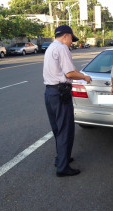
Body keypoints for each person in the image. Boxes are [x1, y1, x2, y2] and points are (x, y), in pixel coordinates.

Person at [43, 25, 92, 177]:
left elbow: (66, 70)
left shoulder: (51, 47)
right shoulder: (63, 48)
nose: (72, 42)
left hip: (50, 92)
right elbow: (70, 73)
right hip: (60, 93)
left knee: (58, 128)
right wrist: (84, 77)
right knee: (65, 129)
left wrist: (79, 73)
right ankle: (63, 168)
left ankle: (61, 158)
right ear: (66, 36)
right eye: (72, 38)